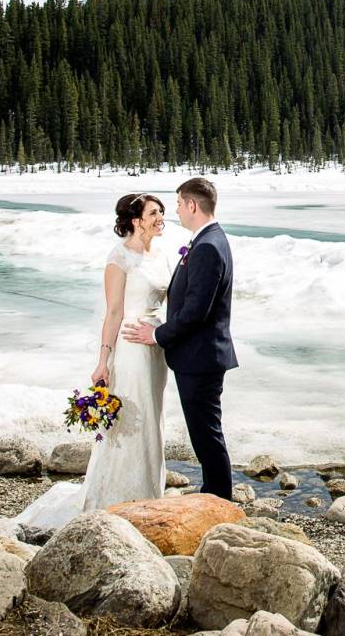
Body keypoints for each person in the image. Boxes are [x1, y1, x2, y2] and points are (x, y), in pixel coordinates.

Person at [14, 192, 172, 528]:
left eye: (162, 212)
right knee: (132, 417)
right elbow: (113, 312)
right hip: (130, 349)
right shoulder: (119, 258)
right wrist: (103, 361)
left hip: (155, 348)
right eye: (154, 213)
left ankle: (150, 494)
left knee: (153, 417)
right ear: (135, 219)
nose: (161, 218)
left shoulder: (162, 255)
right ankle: (117, 498)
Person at [122, 176, 237, 499]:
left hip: (201, 358)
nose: (175, 212)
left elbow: (195, 312)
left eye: (177, 205)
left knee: (207, 435)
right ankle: (214, 494)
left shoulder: (209, 247)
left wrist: (157, 334)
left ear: (192, 205)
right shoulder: (207, 241)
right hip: (199, 356)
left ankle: (218, 499)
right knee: (204, 433)